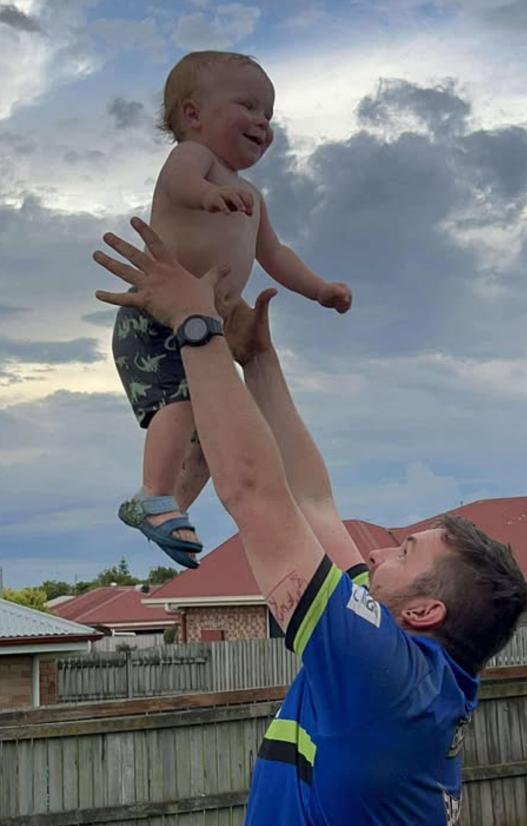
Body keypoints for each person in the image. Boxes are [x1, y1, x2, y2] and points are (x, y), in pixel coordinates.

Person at [94, 218, 527, 826]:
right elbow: (313, 498)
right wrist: (258, 361)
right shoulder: (409, 677)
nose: (382, 550)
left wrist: (194, 327)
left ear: (425, 610)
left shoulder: (380, 675)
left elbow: (259, 496)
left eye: (407, 552)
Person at [112, 50, 352, 569]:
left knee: (210, 435)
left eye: (270, 114)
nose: (264, 122)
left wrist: (319, 289)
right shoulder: (194, 159)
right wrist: (206, 195)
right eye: (249, 105)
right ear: (194, 115)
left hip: (205, 328)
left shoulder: (252, 196)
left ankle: (168, 506)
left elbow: (275, 255)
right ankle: (153, 494)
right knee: (177, 406)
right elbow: (178, 185)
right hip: (158, 316)